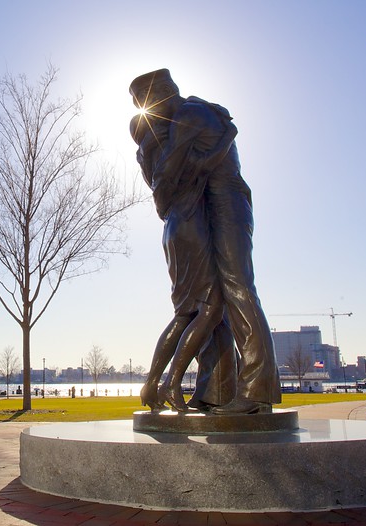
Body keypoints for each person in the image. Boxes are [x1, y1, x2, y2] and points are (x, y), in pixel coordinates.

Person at [130, 69, 280, 414]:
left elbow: (167, 173)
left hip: (225, 202)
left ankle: (257, 392)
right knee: (212, 307)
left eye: (145, 102)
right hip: (203, 206)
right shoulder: (188, 118)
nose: (146, 111)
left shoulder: (190, 114)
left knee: (237, 288)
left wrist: (169, 189)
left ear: (160, 97)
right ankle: (216, 393)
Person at [131, 112, 233, 412]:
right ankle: (171, 383)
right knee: (212, 308)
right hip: (191, 224)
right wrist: (229, 134)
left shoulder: (147, 156)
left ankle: (150, 384)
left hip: (173, 229)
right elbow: (204, 163)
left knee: (185, 314)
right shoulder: (170, 150)